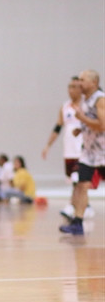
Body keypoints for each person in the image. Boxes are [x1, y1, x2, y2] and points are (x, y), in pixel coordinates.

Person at [42, 77, 94, 219]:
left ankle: (80, 207)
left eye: (75, 86)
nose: (71, 89)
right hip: (69, 151)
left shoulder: (86, 106)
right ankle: (79, 206)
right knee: (73, 180)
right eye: (69, 86)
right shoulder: (64, 107)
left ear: (81, 89)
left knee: (80, 180)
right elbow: (57, 128)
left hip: (83, 150)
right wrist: (48, 145)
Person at [60, 70, 105, 235]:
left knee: (82, 185)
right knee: (81, 185)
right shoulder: (86, 100)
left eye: (82, 80)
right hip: (89, 153)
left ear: (93, 82)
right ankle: (78, 222)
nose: (79, 83)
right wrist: (81, 129)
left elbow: (103, 125)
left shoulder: (100, 99)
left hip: (102, 152)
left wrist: (83, 119)